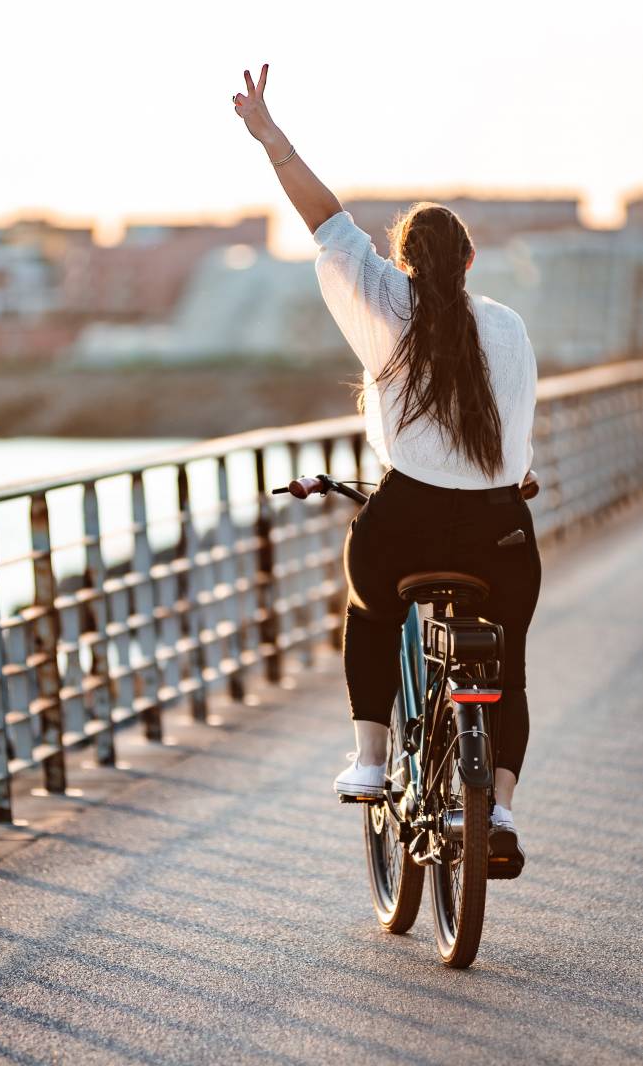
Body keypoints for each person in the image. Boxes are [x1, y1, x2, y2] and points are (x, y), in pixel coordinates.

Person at [233, 64, 541, 871]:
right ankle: (498, 813)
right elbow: (516, 426)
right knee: (505, 666)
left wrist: (271, 139)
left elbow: (327, 222)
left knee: (370, 612)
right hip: (501, 528)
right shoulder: (508, 326)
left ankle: (370, 761)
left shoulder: (383, 302)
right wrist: (514, 476)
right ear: (469, 261)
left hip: (407, 519)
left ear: (405, 261)